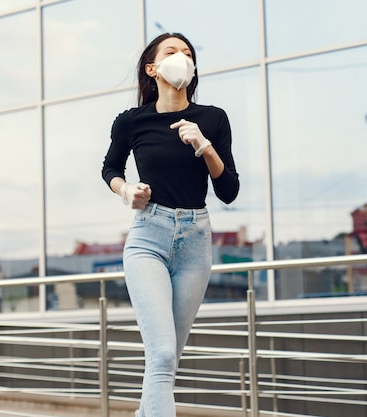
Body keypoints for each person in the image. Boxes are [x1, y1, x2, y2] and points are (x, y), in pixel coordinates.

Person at [101, 32, 239, 417]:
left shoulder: (212, 118)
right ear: (153, 68)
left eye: (188, 53)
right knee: (161, 353)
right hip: (149, 235)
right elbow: (110, 168)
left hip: (196, 242)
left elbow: (228, 190)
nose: (182, 57)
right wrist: (125, 190)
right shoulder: (132, 121)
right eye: (172, 51)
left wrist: (205, 146)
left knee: (166, 361)